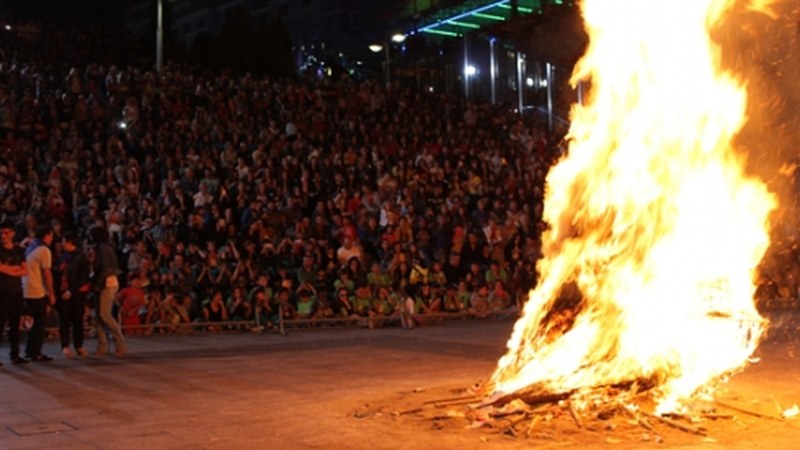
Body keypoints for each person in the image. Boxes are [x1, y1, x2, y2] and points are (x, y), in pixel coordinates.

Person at [90, 226, 126, 356]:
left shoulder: (103, 249)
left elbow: (105, 268)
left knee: (104, 314)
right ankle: (102, 345)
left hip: (107, 282)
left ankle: (120, 342)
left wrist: (97, 283)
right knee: (99, 315)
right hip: (105, 281)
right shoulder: (105, 248)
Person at [22, 225, 56, 362]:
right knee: (40, 323)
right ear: (46, 235)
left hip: (26, 288)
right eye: (51, 235)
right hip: (37, 290)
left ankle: (30, 350)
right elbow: (47, 273)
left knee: (34, 322)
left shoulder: (30, 248)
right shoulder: (43, 250)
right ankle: (35, 352)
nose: (52, 239)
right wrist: (51, 293)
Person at [57, 231, 91, 357]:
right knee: (64, 320)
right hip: (63, 291)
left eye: (64, 241)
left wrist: (71, 291)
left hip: (77, 293)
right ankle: (65, 345)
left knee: (78, 320)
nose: (62, 244)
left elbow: (83, 277)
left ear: (70, 242)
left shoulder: (81, 257)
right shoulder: (64, 256)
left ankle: (79, 345)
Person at [0, 220, 29, 365]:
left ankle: (15, 354)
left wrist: (7, 269)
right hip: (2, 291)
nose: (3, 236)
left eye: (6, 233)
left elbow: (25, 270)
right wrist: (14, 269)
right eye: (1, 233)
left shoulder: (18, 250)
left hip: (16, 291)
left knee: (15, 325)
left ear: (12, 234)